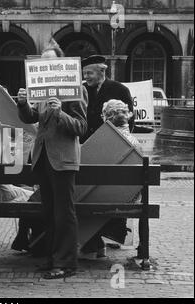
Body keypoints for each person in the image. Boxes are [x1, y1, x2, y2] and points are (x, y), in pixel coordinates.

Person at [16, 42, 88, 279]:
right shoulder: (41, 90)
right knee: (49, 212)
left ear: (61, 64)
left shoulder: (74, 89)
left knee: (64, 213)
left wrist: (60, 112)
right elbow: (31, 117)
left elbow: (81, 127)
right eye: (43, 61)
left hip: (63, 160)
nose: (47, 65)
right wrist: (23, 103)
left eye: (51, 61)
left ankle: (67, 263)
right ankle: (53, 258)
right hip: (43, 158)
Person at [79, 99, 140, 258]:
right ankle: (97, 244)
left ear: (105, 117)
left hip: (104, 200)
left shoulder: (103, 141)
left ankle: (93, 244)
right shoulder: (136, 143)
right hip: (127, 201)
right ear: (127, 117)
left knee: (85, 196)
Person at [81, 55, 134, 143]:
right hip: (85, 143)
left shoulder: (120, 89)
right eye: (84, 73)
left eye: (89, 73)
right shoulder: (82, 89)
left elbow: (129, 121)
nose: (86, 77)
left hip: (110, 143)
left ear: (102, 71)